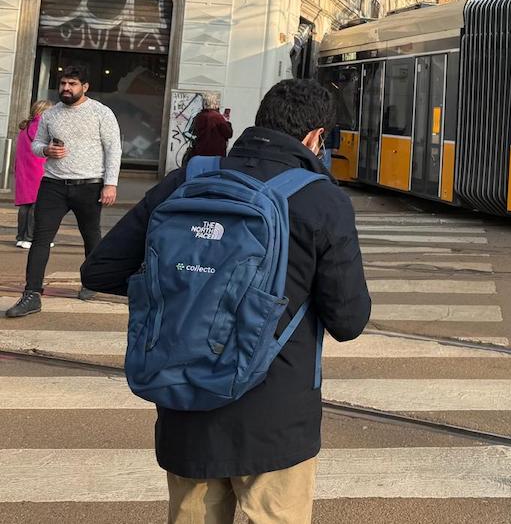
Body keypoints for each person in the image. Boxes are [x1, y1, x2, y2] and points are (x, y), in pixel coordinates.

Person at [80, 78, 371, 524]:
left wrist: (185, 290)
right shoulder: (322, 199)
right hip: (275, 412)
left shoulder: (188, 179)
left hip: (184, 398)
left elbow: (100, 271)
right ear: (315, 137)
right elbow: (349, 319)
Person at [6, 66, 121, 316]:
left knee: (91, 237)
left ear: (85, 87)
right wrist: (46, 151)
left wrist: (110, 183)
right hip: (53, 184)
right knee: (40, 239)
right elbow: (37, 143)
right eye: (63, 83)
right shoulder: (51, 115)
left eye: (72, 84)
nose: (66, 88)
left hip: (89, 185)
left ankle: (91, 282)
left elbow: (114, 149)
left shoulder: (101, 113)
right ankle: (32, 295)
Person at [12, 100, 53, 249]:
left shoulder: (25, 127)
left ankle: (21, 237)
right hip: (38, 169)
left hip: (23, 170)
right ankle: (30, 238)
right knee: (37, 205)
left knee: (25, 206)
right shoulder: (39, 127)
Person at [186, 92, 234, 160]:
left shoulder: (199, 116)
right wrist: (227, 122)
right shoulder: (217, 117)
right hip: (215, 154)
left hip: (200, 152)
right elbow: (228, 133)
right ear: (215, 103)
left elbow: (194, 132)